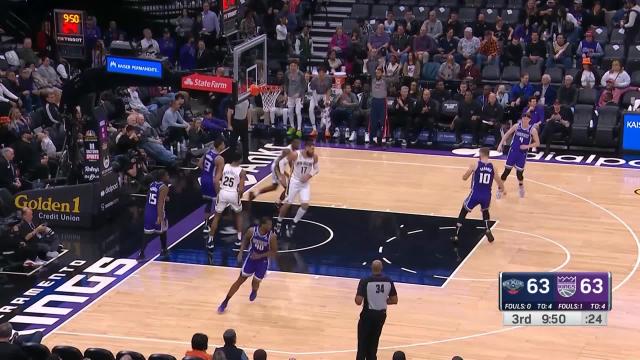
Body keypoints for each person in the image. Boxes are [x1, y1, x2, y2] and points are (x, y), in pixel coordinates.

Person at [217, 217, 278, 313]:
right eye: (269, 224)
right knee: (239, 281)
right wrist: (240, 252)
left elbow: (274, 252)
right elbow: (245, 240)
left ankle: (254, 291)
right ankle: (225, 302)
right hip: (251, 259)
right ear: (262, 225)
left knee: (255, 282)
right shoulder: (251, 231)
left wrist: (259, 256)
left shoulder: (272, 236)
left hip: (263, 262)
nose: (270, 226)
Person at [452, 147, 505, 243]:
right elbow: (499, 181)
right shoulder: (493, 167)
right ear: (488, 155)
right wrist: (503, 189)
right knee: (485, 211)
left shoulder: (475, 164)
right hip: (486, 195)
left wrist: (468, 172)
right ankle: (487, 229)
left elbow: (464, 178)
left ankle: (456, 235)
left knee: (464, 210)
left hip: (475, 194)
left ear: (480, 154)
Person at [355, 260, 398, 360]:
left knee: (362, 345)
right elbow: (394, 300)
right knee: (373, 344)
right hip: (381, 316)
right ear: (381, 268)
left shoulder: (365, 281)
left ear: (371, 268)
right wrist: (382, 300)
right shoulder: (388, 280)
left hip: (367, 315)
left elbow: (358, 301)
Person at [275, 141, 318, 237]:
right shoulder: (296, 154)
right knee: (288, 203)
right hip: (294, 182)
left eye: (314, 148)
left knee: (305, 205)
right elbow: (282, 162)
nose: (313, 150)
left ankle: (293, 224)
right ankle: (278, 223)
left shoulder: (314, 157)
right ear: (306, 147)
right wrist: (282, 175)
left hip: (305, 184)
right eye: (312, 148)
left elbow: (316, 169)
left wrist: (309, 176)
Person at [496, 112, 540, 198]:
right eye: (524, 118)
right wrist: (500, 144)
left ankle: (521, 186)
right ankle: (499, 189)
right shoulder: (516, 126)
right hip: (513, 151)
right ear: (522, 118)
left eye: (527, 118)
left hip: (522, 154)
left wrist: (527, 146)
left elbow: (537, 143)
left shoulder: (532, 130)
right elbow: (507, 134)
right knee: (506, 172)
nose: (525, 119)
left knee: (519, 174)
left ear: (530, 120)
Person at [208, 152, 246, 247]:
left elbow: (216, 180)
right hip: (233, 193)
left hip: (223, 192)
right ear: (240, 159)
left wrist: (218, 193)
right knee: (239, 215)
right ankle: (239, 239)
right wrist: (239, 196)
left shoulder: (225, 166)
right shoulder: (241, 171)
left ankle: (210, 240)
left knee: (216, 217)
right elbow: (241, 189)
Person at [249, 138, 301, 204]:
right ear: (293, 143)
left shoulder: (292, 150)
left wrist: (290, 172)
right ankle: (278, 203)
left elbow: (289, 161)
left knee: (274, 187)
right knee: (288, 188)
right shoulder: (287, 150)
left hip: (277, 167)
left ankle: (255, 194)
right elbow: (279, 162)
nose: (298, 145)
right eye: (297, 144)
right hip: (277, 167)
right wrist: (282, 174)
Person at [138, 169, 171, 260]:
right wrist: (160, 217)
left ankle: (141, 253)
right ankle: (164, 249)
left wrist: (165, 198)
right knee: (163, 230)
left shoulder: (152, 184)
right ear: (163, 177)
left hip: (148, 211)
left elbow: (148, 196)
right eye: (167, 175)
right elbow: (160, 204)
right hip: (157, 212)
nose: (168, 177)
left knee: (147, 233)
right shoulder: (164, 187)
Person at [199, 137, 226, 235]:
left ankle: (205, 224)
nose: (224, 146)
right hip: (211, 181)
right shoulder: (220, 159)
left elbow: (199, 164)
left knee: (208, 203)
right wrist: (219, 192)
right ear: (220, 146)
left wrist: (206, 173)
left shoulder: (208, 152)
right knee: (220, 203)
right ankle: (218, 225)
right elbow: (216, 179)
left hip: (203, 178)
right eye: (223, 144)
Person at [284, 60, 307, 138]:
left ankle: (299, 129)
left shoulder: (301, 74)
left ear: (297, 67)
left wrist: (300, 94)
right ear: (289, 66)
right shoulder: (287, 73)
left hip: (299, 96)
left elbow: (304, 86)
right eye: (291, 66)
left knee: (298, 112)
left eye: (294, 66)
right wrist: (285, 94)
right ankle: (292, 127)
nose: (292, 67)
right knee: (290, 111)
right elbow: (286, 84)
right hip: (290, 95)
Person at [309, 67, 332, 136]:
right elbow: (313, 92)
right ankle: (314, 129)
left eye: (323, 73)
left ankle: (327, 130)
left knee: (327, 109)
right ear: (318, 73)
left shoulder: (328, 78)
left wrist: (327, 100)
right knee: (310, 109)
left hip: (325, 94)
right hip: (316, 95)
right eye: (320, 73)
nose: (321, 75)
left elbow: (329, 90)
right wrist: (316, 104)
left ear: (325, 73)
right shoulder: (314, 80)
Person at [370, 67, 388, 147]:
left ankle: (383, 139)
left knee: (382, 121)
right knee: (373, 121)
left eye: (379, 72)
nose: (377, 74)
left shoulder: (385, 81)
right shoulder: (373, 80)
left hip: (382, 101)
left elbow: (394, 79)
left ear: (382, 73)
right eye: (376, 72)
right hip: (374, 101)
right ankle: (373, 138)